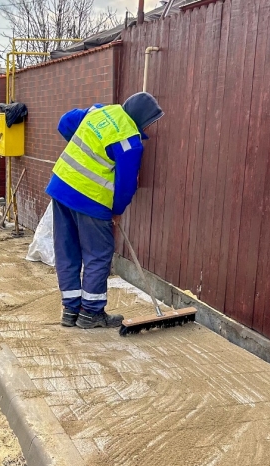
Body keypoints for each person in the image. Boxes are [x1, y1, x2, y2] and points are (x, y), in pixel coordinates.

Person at [46, 92, 164, 329]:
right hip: (90, 199)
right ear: (143, 118)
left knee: (67, 250)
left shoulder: (98, 111)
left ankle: (70, 311)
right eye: (151, 121)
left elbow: (64, 123)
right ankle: (91, 313)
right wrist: (117, 210)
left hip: (61, 186)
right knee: (98, 254)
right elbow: (126, 184)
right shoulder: (130, 142)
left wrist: (88, 153)